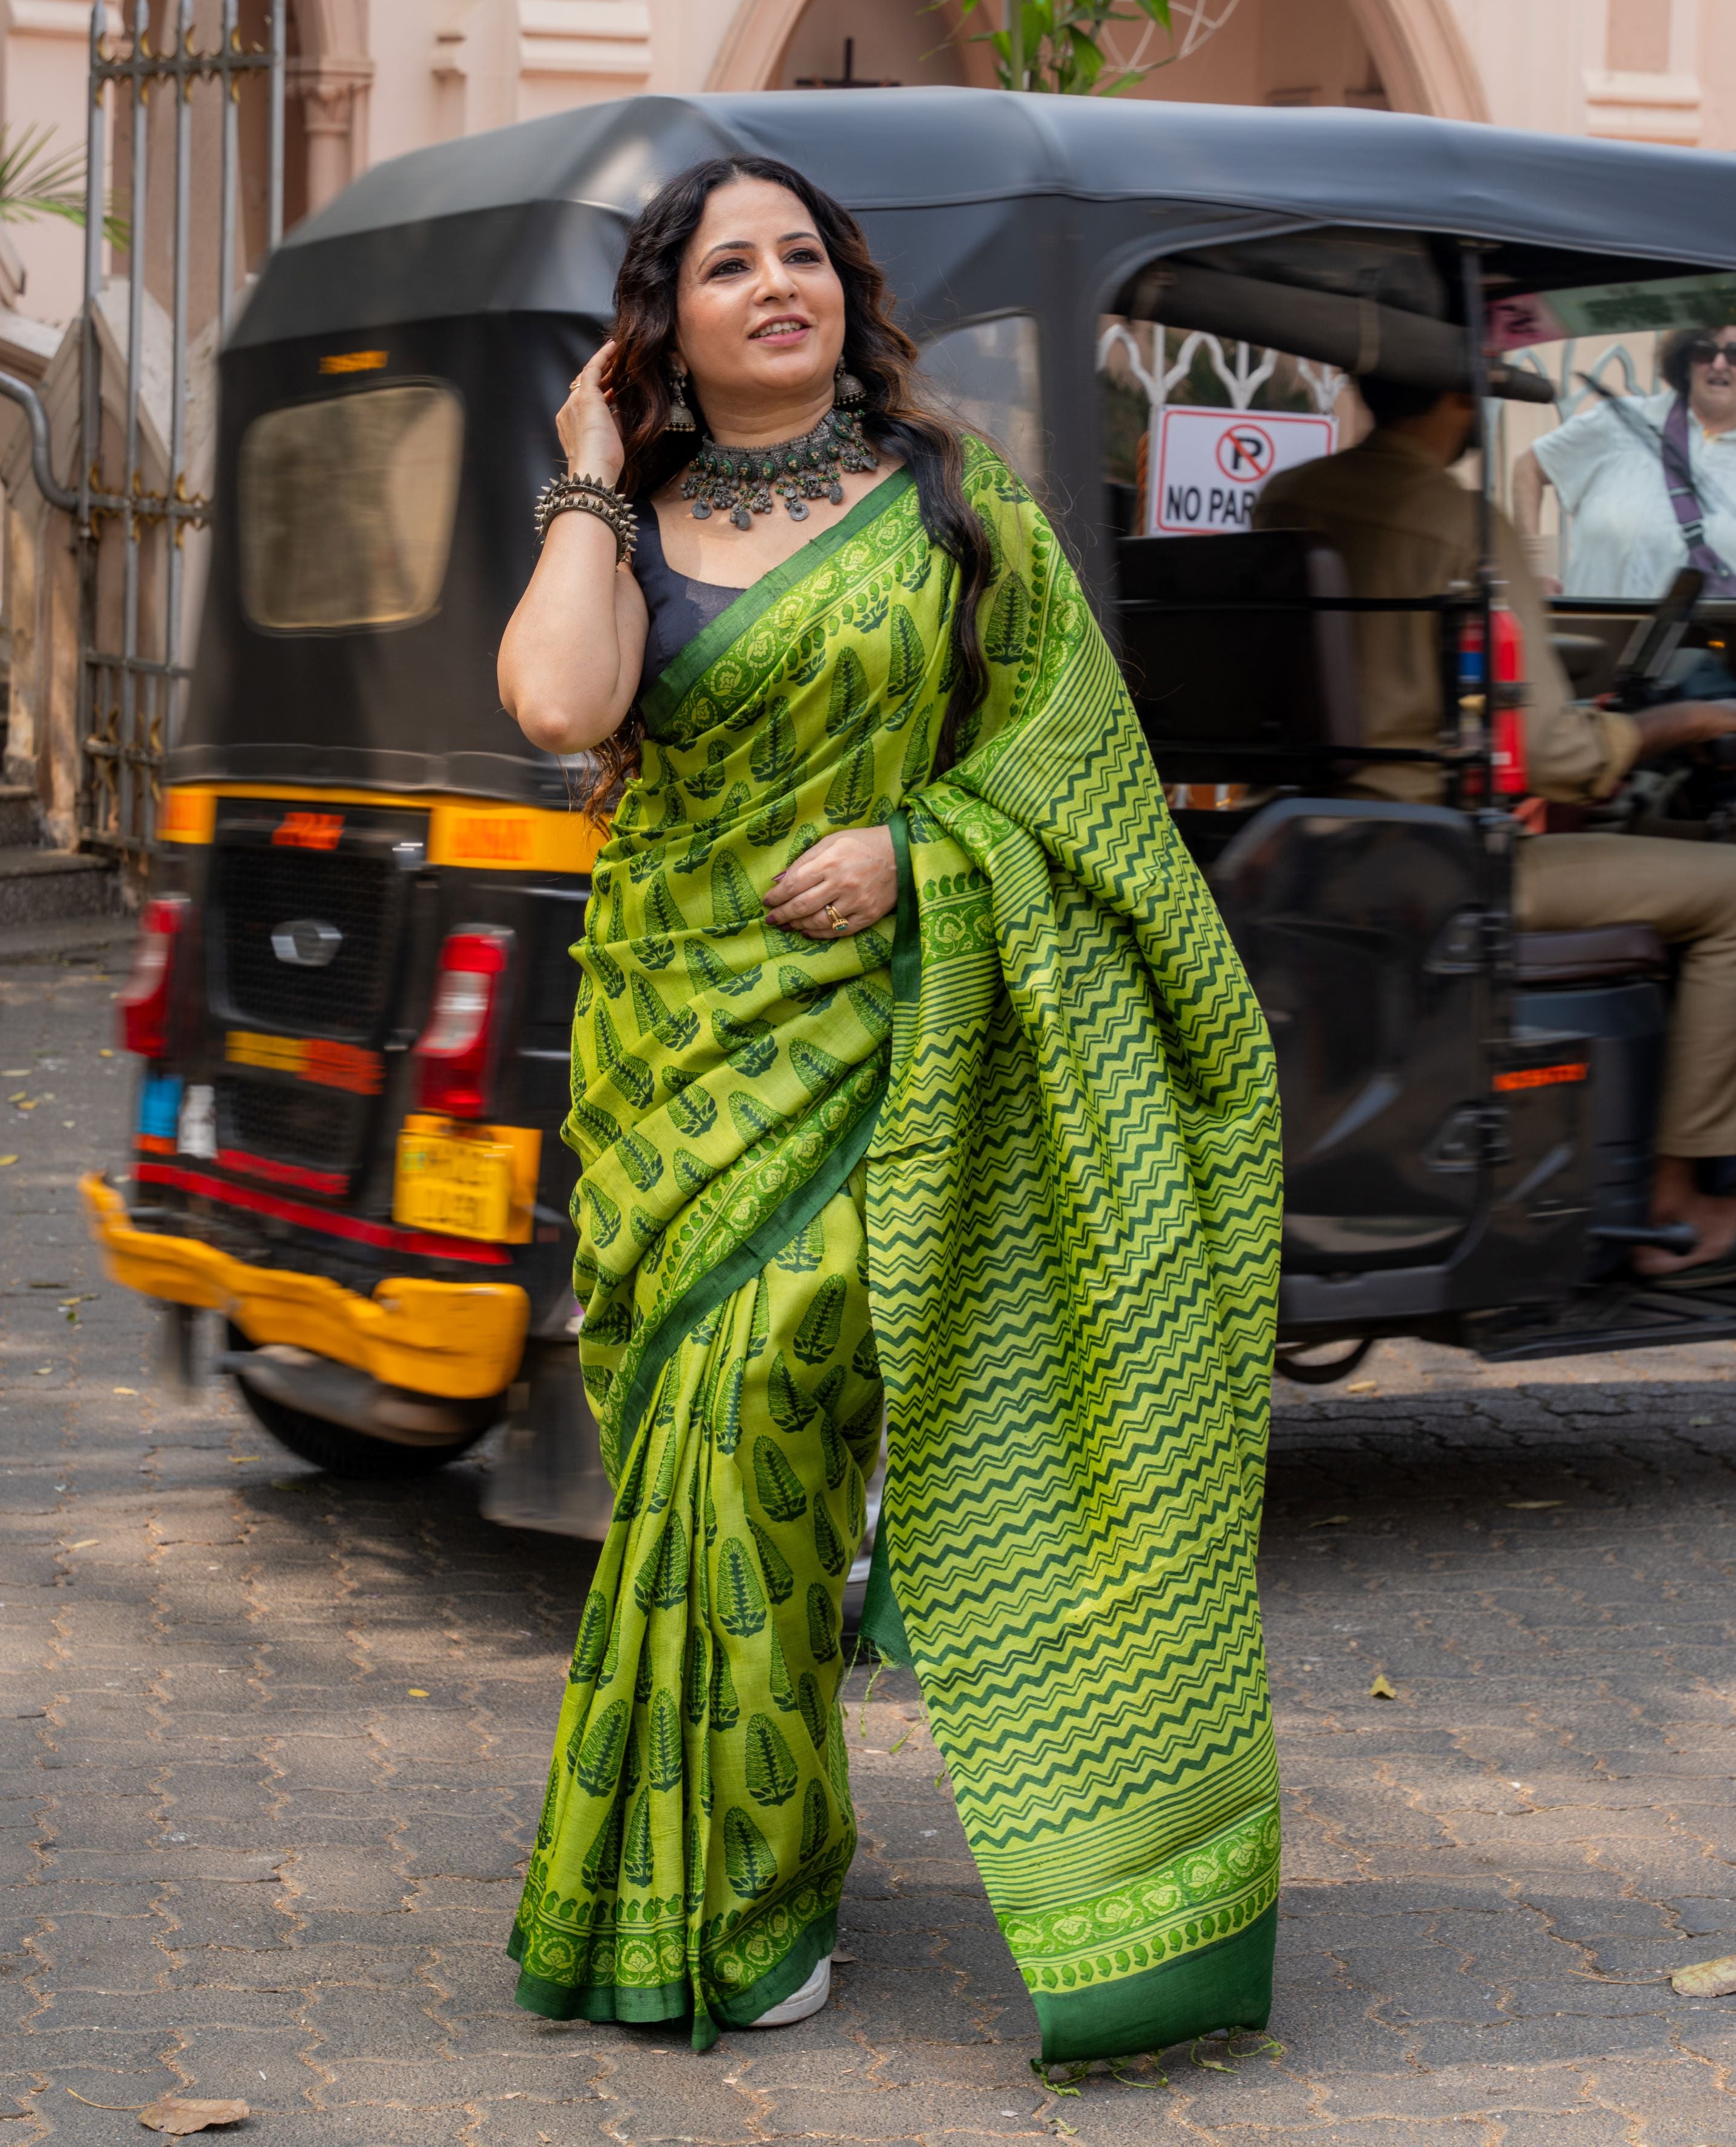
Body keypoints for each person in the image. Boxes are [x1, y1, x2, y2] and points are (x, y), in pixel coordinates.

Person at [496, 156, 1283, 2062]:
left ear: (846, 288)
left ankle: (760, 1886)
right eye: (725, 264)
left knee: (773, 1388)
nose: (776, 285)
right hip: (680, 1048)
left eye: (802, 256)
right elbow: (554, 700)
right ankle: (696, 1888)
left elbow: (1078, 766)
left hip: (903, 1037)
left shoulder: (950, 505)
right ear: (664, 317)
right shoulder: (636, 510)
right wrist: (597, 469)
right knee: (702, 1451)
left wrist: (913, 844)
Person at [1258, 374, 1736, 1276]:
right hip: (1436, 859)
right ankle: (1678, 1202)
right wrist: (1681, 724)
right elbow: (1559, 758)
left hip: (1313, 846)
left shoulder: (1289, 496)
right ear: (1454, 397)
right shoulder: (1465, 523)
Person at [1510, 323, 1736, 599]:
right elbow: (1529, 467)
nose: (1720, 365)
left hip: (1722, 672)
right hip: (1603, 654)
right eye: (1705, 351)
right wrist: (1531, 571)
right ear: (1686, 360)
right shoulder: (1619, 423)